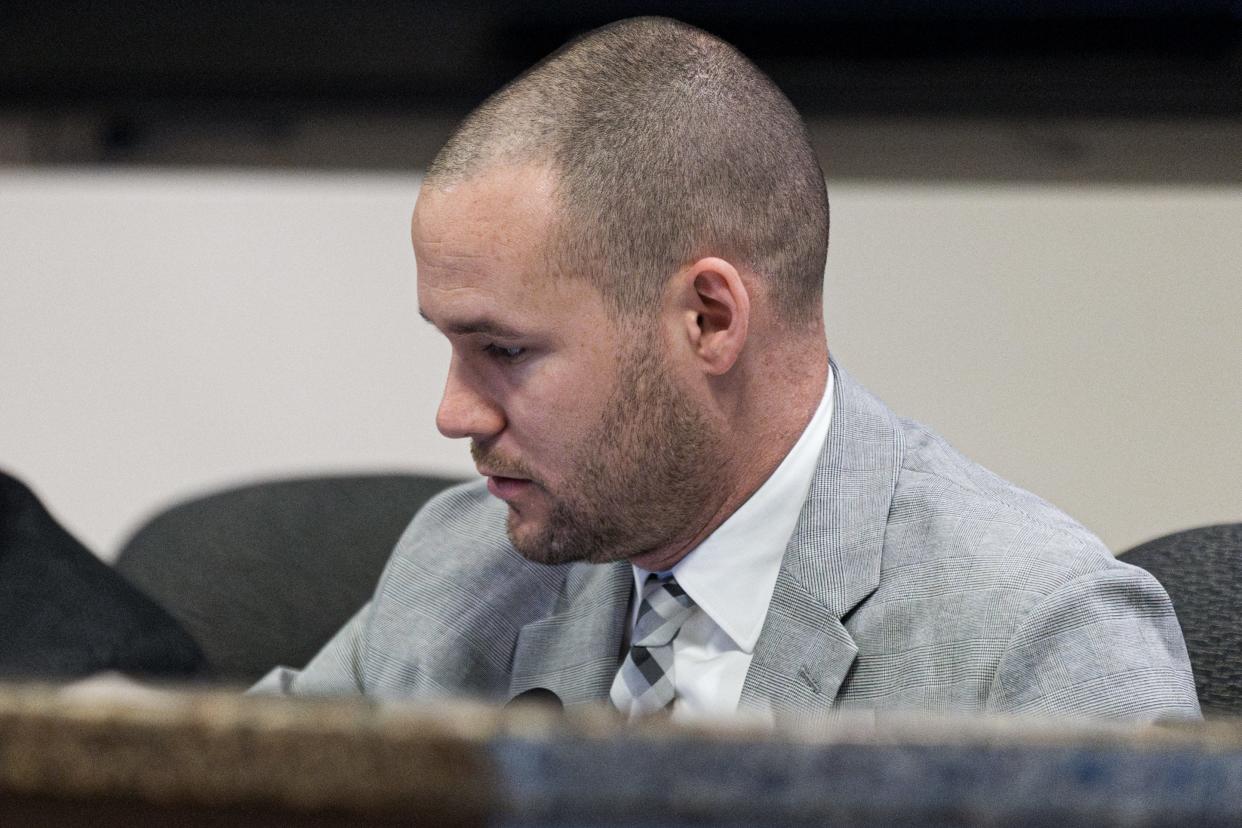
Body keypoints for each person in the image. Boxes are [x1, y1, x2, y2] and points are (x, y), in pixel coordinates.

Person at [253, 17, 1199, 723]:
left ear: (708, 319)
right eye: (448, 346)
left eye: (503, 352)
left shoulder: (1034, 641)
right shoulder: (462, 567)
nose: (455, 414)